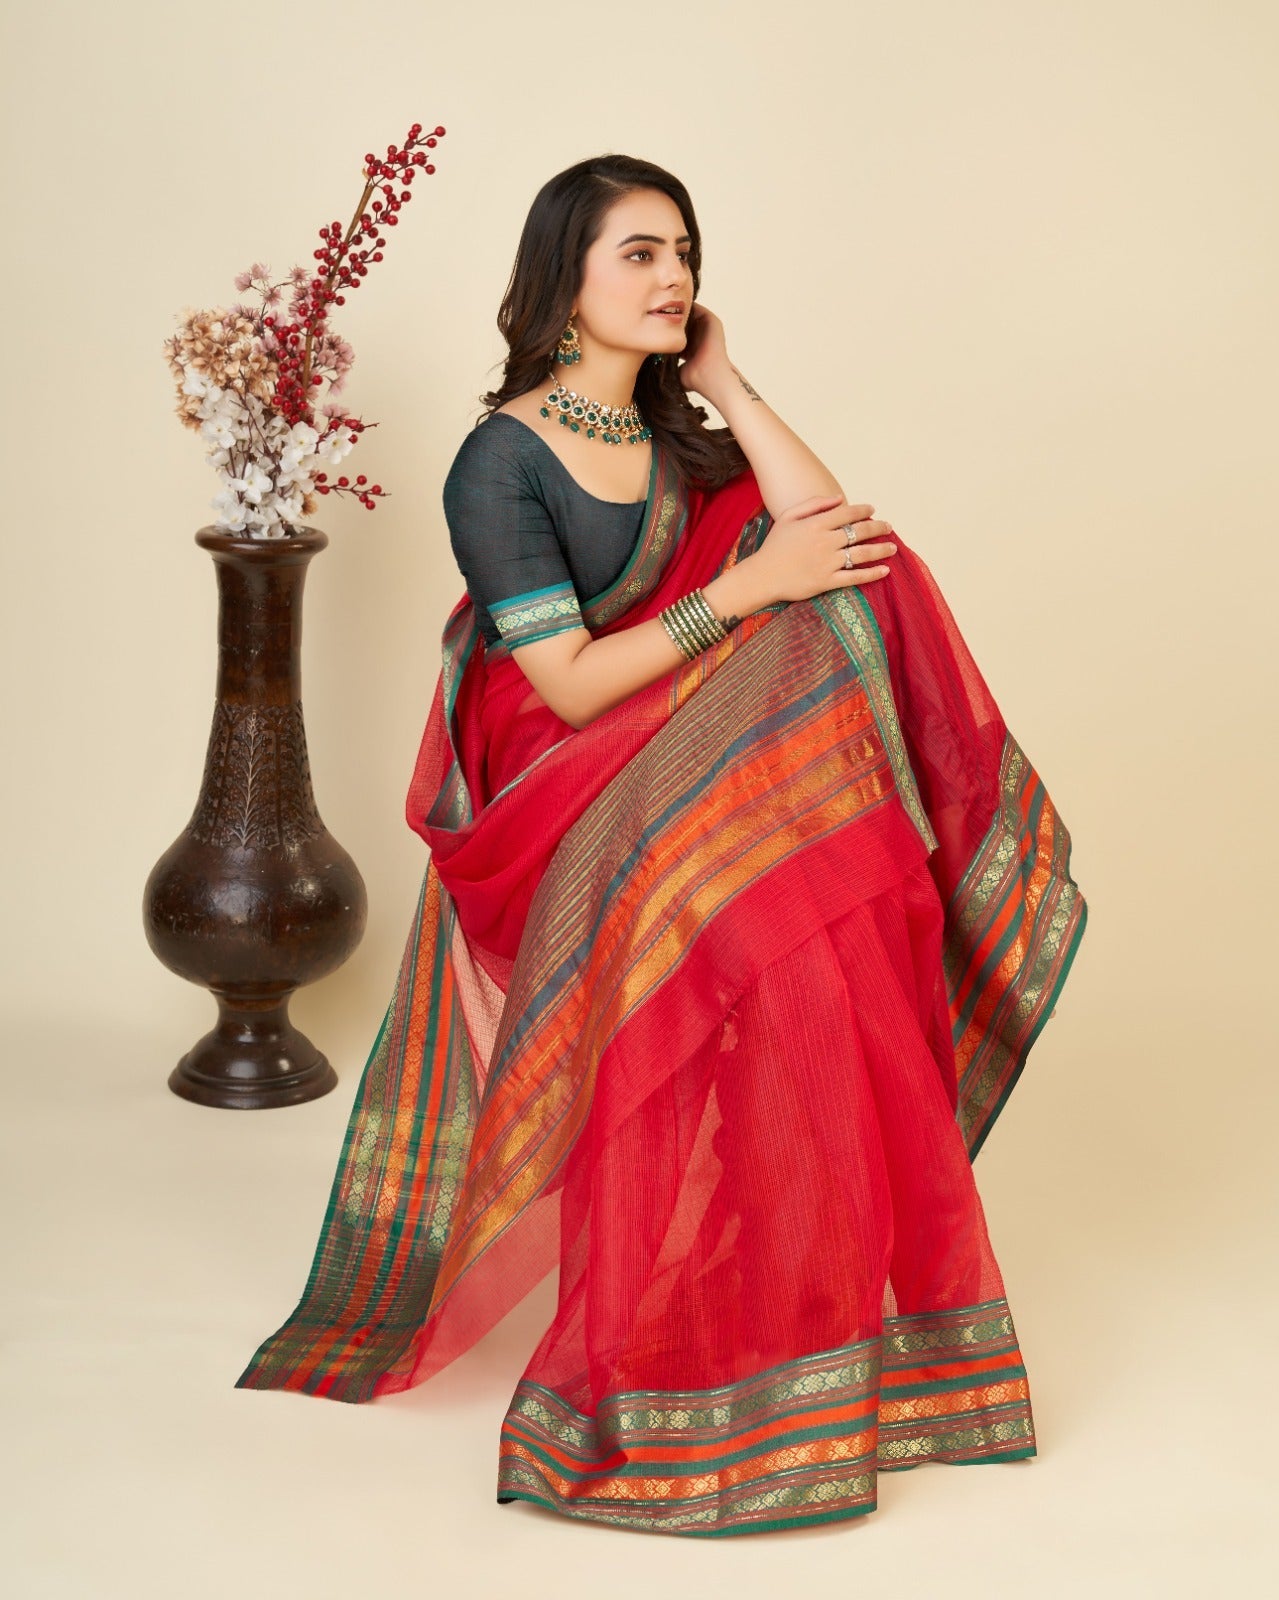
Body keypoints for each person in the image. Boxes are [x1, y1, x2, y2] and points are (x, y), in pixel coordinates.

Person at [235, 154, 1088, 1538]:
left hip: (690, 759)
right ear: (563, 278)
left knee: (822, 839)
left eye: (683, 250)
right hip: (567, 782)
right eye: (638, 253)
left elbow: (833, 534)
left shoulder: (678, 435)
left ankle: (801, 1320)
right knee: (787, 689)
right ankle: (668, 1346)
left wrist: (729, 385)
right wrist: (741, 594)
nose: (673, 274)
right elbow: (567, 687)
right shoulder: (501, 462)